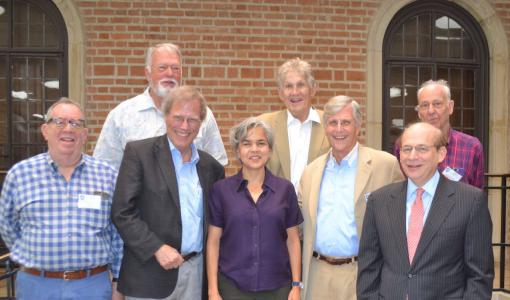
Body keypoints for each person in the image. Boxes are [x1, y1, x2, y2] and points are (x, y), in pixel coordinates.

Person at [0, 98, 123, 300]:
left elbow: (118, 233)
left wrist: (118, 282)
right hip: (36, 286)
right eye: (59, 122)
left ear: (85, 134)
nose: (68, 129)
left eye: (76, 123)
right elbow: (7, 226)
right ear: (45, 130)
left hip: (92, 286)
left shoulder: (108, 175)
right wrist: (34, 254)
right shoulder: (20, 174)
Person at [112, 85, 225, 299]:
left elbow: (216, 224)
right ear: (165, 117)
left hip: (196, 273)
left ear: (200, 124)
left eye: (192, 119)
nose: (184, 126)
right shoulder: (139, 154)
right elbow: (122, 212)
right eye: (178, 117)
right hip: (150, 273)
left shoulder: (212, 168)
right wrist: (157, 248)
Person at [357, 122, 494, 299]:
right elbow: (369, 267)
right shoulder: (379, 201)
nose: (412, 156)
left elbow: (479, 276)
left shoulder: (470, 201)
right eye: (406, 149)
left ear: (441, 154)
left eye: (422, 149)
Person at [298, 95, 404, 300]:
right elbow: (299, 226)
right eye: (333, 123)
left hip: (363, 274)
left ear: (358, 126)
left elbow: (403, 222)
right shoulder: (311, 172)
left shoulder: (385, 165)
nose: (339, 129)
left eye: (346, 122)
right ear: (325, 127)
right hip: (317, 275)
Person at [206, 117, 303, 300]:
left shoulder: (285, 189)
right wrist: (213, 289)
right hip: (232, 287)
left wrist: (296, 285)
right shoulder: (221, 190)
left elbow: (293, 240)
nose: (254, 150)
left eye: (261, 143)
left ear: (270, 149)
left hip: (278, 288)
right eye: (246, 144)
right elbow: (213, 242)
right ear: (237, 150)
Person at [94, 42, 227, 169]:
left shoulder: (202, 113)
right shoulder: (122, 115)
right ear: (148, 73)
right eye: (162, 68)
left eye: (175, 68)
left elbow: (217, 164)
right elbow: (104, 168)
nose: (169, 73)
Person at [394, 79, 484, 188]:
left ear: (450, 107)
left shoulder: (471, 147)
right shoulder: (403, 146)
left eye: (437, 104)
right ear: (419, 112)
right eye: (425, 105)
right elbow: (400, 190)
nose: (431, 111)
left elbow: (477, 195)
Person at [258, 58, 329, 190]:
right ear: (280, 93)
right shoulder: (264, 125)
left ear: (313, 89)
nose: (295, 92)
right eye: (288, 86)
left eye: (301, 85)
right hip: (276, 207)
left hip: (317, 207)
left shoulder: (331, 124)